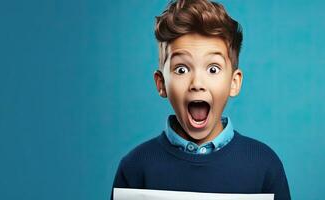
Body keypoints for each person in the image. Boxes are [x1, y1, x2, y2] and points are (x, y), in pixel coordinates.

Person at [111, 0, 290, 199]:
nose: (197, 83)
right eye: (182, 69)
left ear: (234, 82)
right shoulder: (136, 167)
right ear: (161, 83)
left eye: (213, 69)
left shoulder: (264, 165)